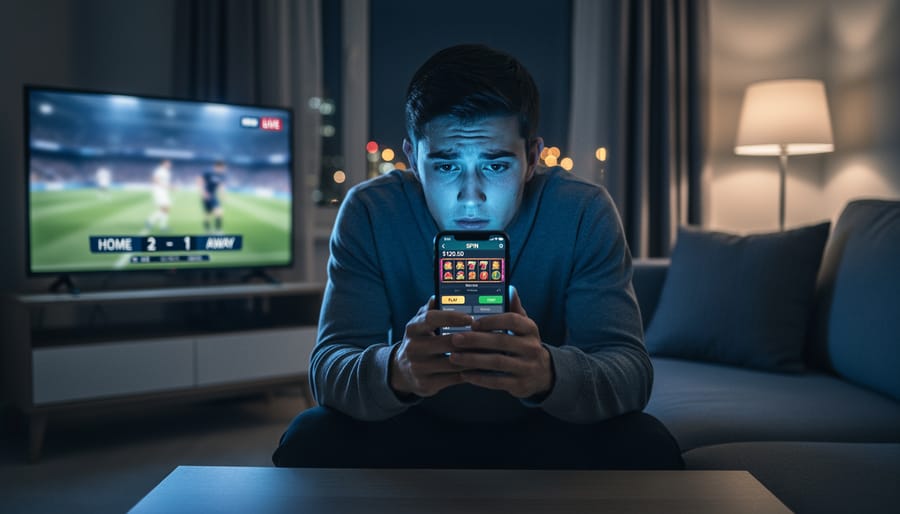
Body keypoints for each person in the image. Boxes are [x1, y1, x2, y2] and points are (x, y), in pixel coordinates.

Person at [273, 44, 683, 470]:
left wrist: (547, 373)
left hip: (548, 424)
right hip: (413, 423)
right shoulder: (371, 212)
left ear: (531, 159)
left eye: (496, 166)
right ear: (413, 159)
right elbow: (329, 368)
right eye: (447, 166)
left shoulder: (582, 211)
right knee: (309, 437)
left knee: (648, 444)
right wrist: (397, 369)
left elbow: (631, 371)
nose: (471, 198)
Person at [198, 160, 227, 234]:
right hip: (206, 195)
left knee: (219, 212)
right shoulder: (208, 172)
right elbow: (200, 181)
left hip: (213, 195)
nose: (223, 169)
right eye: (222, 168)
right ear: (218, 167)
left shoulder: (221, 175)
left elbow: (220, 186)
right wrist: (203, 193)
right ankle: (207, 230)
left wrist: (223, 195)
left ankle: (218, 230)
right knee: (207, 214)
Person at [146, 159, 172, 231]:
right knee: (165, 208)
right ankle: (153, 222)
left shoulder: (166, 172)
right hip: (159, 192)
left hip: (163, 192)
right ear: (164, 163)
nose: (170, 165)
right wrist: (165, 186)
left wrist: (169, 187)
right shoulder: (160, 170)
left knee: (165, 209)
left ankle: (153, 222)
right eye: (168, 163)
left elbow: (165, 182)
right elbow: (155, 179)